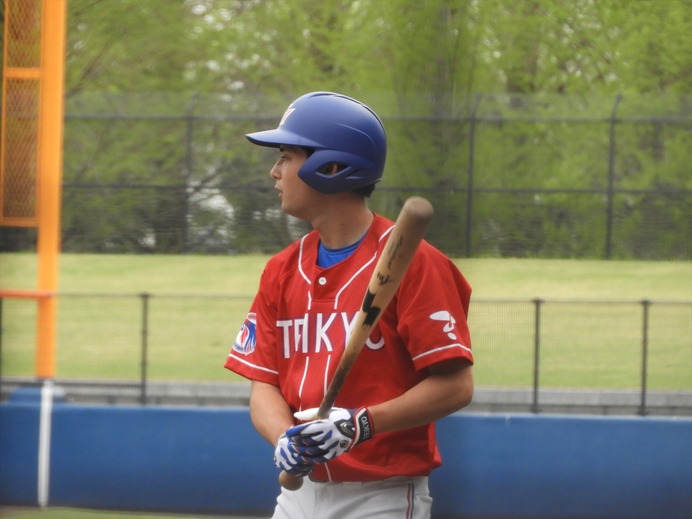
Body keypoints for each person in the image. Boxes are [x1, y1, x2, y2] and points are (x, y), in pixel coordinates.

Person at [224, 91, 474, 519]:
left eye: (286, 156)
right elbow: (263, 383)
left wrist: (358, 425)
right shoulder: (281, 271)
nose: (275, 171)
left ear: (332, 167)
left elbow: (456, 386)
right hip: (298, 496)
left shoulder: (415, 263)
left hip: (382, 497)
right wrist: (286, 438)